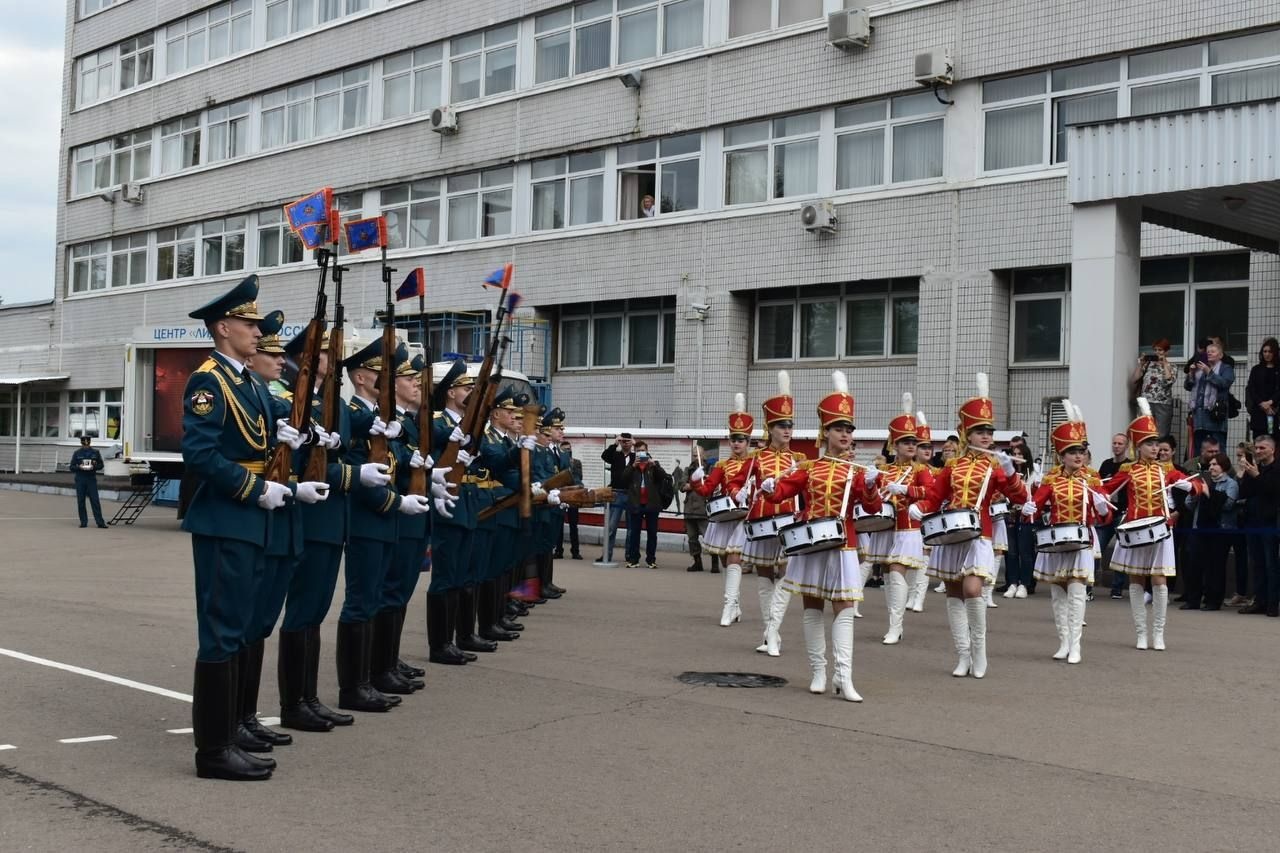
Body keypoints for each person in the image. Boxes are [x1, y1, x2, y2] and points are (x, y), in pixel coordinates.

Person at [182, 275, 304, 780]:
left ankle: (231, 732)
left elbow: (275, 418)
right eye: (249, 324)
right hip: (227, 516)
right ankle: (213, 752)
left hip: (250, 520)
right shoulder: (207, 380)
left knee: (237, 630)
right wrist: (256, 490)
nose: (257, 332)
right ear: (223, 326)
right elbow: (201, 454)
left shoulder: (248, 379)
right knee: (222, 633)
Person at [276, 328, 389, 734]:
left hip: (332, 519)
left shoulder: (334, 402)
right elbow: (302, 461)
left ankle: (308, 698)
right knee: (303, 609)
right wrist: (355, 475)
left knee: (316, 611)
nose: (332, 355)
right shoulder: (292, 396)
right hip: (309, 515)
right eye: (324, 350)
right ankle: (294, 704)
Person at [761, 370, 882, 702]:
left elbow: (872, 508)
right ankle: (818, 671)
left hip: (844, 544)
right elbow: (781, 491)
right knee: (812, 604)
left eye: (848, 429)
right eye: (839, 428)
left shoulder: (856, 470)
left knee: (843, 606)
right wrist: (769, 487)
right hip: (810, 542)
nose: (845, 434)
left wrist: (871, 485)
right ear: (825, 431)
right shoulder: (808, 467)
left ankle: (843, 677)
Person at [910, 373, 1029, 680]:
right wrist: (919, 508)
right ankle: (962, 654)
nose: (986, 436)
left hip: (980, 533)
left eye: (989, 430)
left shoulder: (996, 464)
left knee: (972, 588)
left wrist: (1010, 473)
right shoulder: (952, 466)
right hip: (952, 533)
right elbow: (936, 497)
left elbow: (1019, 496)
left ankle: (980, 651)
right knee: (953, 593)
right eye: (979, 431)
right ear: (966, 434)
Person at [340, 340, 432, 706]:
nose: (389, 381)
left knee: (382, 597)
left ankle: (377, 671)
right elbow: (358, 470)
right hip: (366, 520)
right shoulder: (351, 414)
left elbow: (392, 462)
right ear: (362, 378)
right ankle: (356, 685)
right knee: (362, 602)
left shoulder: (383, 420)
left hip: (387, 519)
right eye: (383, 374)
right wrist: (396, 501)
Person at [1101, 398, 1207, 650]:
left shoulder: (1166, 470)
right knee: (1136, 580)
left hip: (1160, 530)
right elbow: (1106, 489)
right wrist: (1099, 497)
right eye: (1149, 443)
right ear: (1138, 446)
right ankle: (1141, 633)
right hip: (1136, 529)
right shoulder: (1128, 470)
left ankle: (1158, 633)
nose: (1155, 448)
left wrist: (1191, 485)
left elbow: (1197, 488)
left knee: (1159, 580)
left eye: (1156, 443)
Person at [1023, 402, 1111, 664]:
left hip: (1082, 539)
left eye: (1081, 451)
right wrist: (1029, 507)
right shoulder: (1051, 479)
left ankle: (1076, 645)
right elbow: (1035, 509)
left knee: (1076, 590)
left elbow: (1106, 513)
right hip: (1057, 541)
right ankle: (1063, 642)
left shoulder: (1093, 478)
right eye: (1072, 451)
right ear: (1061, 454)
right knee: (1058, 593)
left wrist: (1101, 505)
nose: (1078, 456)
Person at [728, 371, 806, 656]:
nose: (787, 430)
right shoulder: (756, 458)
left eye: (790, 424)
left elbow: (808, 492)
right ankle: (769, 633)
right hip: (761, 521)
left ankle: (772, 632)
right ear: (769, 428)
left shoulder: (799, 460)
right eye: (781, 425)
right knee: (763, 578)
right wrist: (740, 492)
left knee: (786, 574)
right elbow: (735, 482)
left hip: (788, 522)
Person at [871, 394, 934, 645]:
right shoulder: (884, 471)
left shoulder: (921, 470)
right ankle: (893, 623)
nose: (911, 446)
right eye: (905, 441)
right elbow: (872, 501)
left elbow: (932, 493)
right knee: (887, 573)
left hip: (908, 528)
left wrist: (907, 491)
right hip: (886, 527)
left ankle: (895, 627)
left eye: (913, 442)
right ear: (894, 445)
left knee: (897, 571)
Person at [690, 398, 754, 622]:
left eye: (741, 440)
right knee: (728, 561)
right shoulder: (722, 465)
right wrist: (697, 480)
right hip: (725, 515)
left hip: (745, 516)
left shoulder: (755, 463)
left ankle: (727, 607)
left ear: (748, 441)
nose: (737, 444)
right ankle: (735, 604)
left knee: (735, 558)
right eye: (733, 439)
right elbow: (707, 490)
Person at [1181, 452, 1238, 611]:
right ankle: (1193, 600)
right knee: (1195, 565)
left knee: (1215, 566)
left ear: (1224, 466)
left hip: (1219, 530)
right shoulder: (1202, 481)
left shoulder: (1230, 483)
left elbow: (1228, 505)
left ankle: (1213, 601)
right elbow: (1188, 504)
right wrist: (1195, 493)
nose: (1211, 467)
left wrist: (1209, 493)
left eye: (1215, 464)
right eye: (1210, 464)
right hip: (1199, 528)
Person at [1237, 434, 1280, 616]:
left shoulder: (1276, 469)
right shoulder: (1253, 467)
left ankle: (1272, 603)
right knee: (1257, 563)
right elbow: (1245, 493)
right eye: (1257, 448)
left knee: (1271, 564)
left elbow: (1272, 490)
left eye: (1263, 448)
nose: (1258, 451)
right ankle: (1259, 601)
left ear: (1272, 449)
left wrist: (1257, 476)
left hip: (1270, 522)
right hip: (1252, 520)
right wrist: (1244, 475)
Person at [907, 412, 937, 612]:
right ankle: (911, 595)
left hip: (928, 518)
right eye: (922, 446)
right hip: (909, 519)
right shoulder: (907, 470)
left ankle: (919, 597)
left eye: (929, 446)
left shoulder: (937, 471)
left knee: (924, 558)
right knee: (911, 560)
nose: (927, 450)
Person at [1185, 340, 1235, 454]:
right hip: (1199, 416)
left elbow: (1225, 383)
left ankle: (1220, 470)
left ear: (1220, 355)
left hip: (1215, 415)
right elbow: (1188, 386)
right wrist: (1191, 373)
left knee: (1218, 448)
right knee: (1199, 449)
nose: (1209, 353)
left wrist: (1209, 372)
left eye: (1213, 351)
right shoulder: (1200, 368)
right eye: (1208, 351)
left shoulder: (1226, 368)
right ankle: (1200, 470)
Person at [623, 440, 666, 569]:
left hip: (651, 504)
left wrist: (654, 465)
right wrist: (633, 466)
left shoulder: (653, 465)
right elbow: (623, 478)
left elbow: (663, 476)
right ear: (635, 453)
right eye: (638, 451)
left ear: (647, 451)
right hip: (636, 504)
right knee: (635, 533)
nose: (641, 453)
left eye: (643, 450)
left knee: (652, 533)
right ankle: (633, 559)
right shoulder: (632, 465)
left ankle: (651, 560)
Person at [1002, 445, 1037, 599]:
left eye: (1019, 454)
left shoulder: (1033, 473)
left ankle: (1025, 583)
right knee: (1011, 551)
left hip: (1027, 515)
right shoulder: (1008, 473)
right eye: (1014, 454)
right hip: (1011, 513)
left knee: (1025, 551)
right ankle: (1012, 583)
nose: (1016, 457)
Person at [1098, 433, 1130, 599]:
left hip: (1122, 512)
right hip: (1106, 513)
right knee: (1097, 548)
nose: (1117, 446)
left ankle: (1117, 587)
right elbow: (1100, 485)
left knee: (1121, 550)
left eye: (1120, 443)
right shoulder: (1106, 465)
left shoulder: (1129, 465)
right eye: (1115, 443)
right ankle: (1090, 584)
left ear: (1126, 446)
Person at [597, 433, 636, 565]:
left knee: (631, 528)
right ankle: (606, 555)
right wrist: (614, 444)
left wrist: (635, 447)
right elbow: (604, 456)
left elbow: (647, 460)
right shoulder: (615, 455)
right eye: (623, 441)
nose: (625, 443)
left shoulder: (635, 457)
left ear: (631, 442)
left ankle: (630, 555)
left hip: (631, 494)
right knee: (611, 526)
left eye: (627, 441)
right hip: (616, 493)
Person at [1132, 339, 1177, 439]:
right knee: (1144, 431)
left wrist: (1164, 363)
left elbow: (1169, 380)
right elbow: (1134, 379)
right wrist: (1141, 364)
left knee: (1161, 434)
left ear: (1166, 352)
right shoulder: (1149, 365)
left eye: (1160, 350)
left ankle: (1159, 453)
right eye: (1155, 350)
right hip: (1145, 402)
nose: (1157, 352)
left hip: (1163, 403)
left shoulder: (1172, 366)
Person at [1245, 338, 1280, 440]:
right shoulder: (1256, 369)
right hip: (1258, 411)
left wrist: (1270, 402)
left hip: (1273, 411)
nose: (1267, 354)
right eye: (1265, 351)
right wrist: (1261, 403)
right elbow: (1252, 389)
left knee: (1272, 440)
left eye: (1270, 351)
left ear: (1275, 353)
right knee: (1258, 441)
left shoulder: (1278, 369)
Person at [681, 457, 711, 573]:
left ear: (703, 455)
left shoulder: (710, 469)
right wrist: (696, 483)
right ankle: (697, 562)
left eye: (697, 454)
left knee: (709, 538)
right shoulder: (688, 469)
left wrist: (692, 484)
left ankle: (714, 563)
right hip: (689, 509)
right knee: (692, 538)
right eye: (693, 455)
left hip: (704, 509)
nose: (695, 457)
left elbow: (711, 485)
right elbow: (682, 486)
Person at [70, 435, 107, 528]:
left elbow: (101, 465)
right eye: (84, 444)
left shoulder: (95, 452)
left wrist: (93, 467)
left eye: (87, 444)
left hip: (91, 478)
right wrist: (79, 467)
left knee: (95, 500)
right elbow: (71, 467)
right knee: (81, 501)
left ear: (89, 443)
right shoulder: (77, 453)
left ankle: (100, 522)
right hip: (80, 478)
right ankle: (83, 521)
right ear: (82, 443)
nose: (86, 445)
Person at [554, 440, 583, 559]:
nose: (568, 451)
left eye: (569, 449)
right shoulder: (557, 461)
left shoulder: (576, 462)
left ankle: (575, 551)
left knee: (573, 525)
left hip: (573, 495)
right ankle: (558, 550)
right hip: (561, 495)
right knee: (559, 525)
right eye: (565, 449)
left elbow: (579, 477)